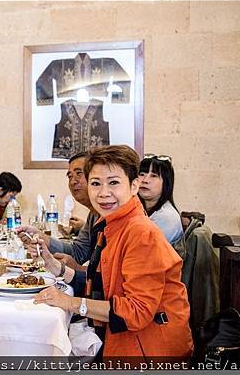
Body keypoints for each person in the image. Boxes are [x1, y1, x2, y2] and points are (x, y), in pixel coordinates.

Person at [30, 145, 192, 360]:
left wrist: (70, 303)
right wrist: (57, 268)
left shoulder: (141, 232)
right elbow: (104, 283)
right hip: (121, 337)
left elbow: (136, 312)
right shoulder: (112, 223)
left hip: (148, 349)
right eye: (96, 183)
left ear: (134, 186)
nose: (103, 193)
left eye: (114, 182)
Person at [18, 152, 98, 273]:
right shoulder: (94, 213)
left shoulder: (111, 214)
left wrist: (78, 269)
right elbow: (79, 251)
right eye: (70, 176)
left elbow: (112, 277)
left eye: (79, 173)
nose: (73, 182)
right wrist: (42, 237)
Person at [138, 154, 184, 245]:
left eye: (154, 176)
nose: (145, 180)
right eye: (142, 174)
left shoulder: (166, 217)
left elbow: (143, 252)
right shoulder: (139, 208)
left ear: (166, 183)